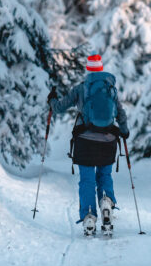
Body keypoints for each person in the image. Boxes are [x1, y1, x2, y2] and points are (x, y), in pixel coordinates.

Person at [48, 52, 130, 236]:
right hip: (109, 141)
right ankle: (107, 202)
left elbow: (60, 108)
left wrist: (52, 99)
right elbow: (120, 113)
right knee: (105, 175)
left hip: (85, 141)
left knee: (87, 179)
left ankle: (89, 217)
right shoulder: (110, 89)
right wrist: (124, 131)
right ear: (101, 68)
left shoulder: (81, 88)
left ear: (88, 70)